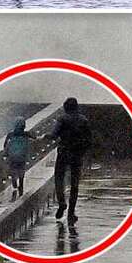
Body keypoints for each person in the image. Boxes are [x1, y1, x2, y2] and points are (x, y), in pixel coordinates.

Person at [41, 97, 92, 226]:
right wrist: (82, 152)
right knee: (75, 184)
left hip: (64, 152)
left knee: (59, 178)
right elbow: (89, 139)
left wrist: (45, 136)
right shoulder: (83, 120)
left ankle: (62, 202)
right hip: (77, 154)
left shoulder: (62, 119)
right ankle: (71, 212)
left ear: (65, 107)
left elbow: (54, 134)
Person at [3, 117, 36, 201]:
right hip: (22, 156)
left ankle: (14, 184)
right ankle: (21, 186)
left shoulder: (10, 134)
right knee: (21, 170)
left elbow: (5, 145)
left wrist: (6, 153)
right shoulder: (26, 134)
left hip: (12, 156)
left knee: (13, 170)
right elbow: (35, 138)